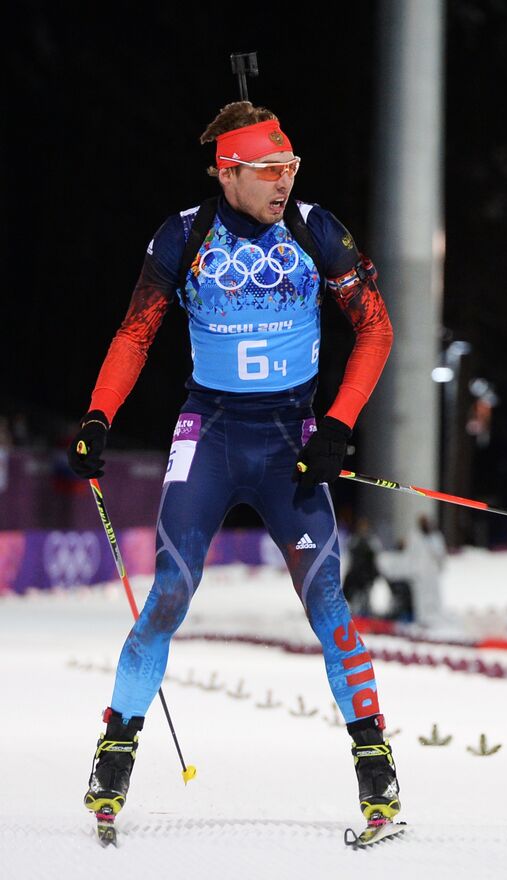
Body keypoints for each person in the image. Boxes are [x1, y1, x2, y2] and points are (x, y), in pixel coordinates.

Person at [67, 101, 400, 835]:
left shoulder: (315, 229)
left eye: (291, 166)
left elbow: (376, 327)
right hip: (211, 434)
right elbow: (134, 333)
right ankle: (116, 748)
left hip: (292, 441)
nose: (284, 180)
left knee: (328, 604)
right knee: (169, 594)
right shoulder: (184, 235)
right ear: (229, 172)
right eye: (269, 169)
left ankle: (375, 760)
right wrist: (98, 416)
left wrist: (339, 425)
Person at [342, 516, 384, 618]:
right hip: (356, 576)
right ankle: (356, 616)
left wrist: (376, 573)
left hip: (367, 576)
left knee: (366, 599)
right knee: (355, 599)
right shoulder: (354, 540)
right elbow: (350, 558)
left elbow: (376, 559)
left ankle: (366, 615)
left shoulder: (372, 541)